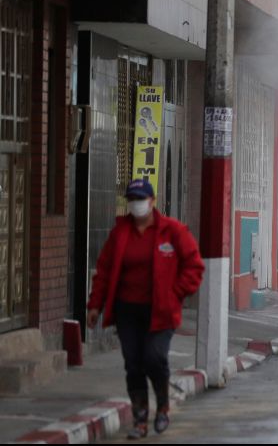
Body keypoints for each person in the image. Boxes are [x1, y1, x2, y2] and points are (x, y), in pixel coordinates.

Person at [86, 179, 205, 439]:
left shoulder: (173, 231)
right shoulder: (120, 233)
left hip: (161, 310)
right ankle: (140, 419)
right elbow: (104, 271)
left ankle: (162, 406)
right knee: (134, 364)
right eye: (132, 199)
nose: (136, 204)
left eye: (141, 199)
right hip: (127, 310)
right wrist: (95, 305)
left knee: (154, 358)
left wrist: (176, 293)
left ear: (152, 202)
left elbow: (194, 266)